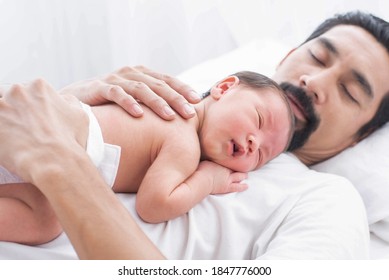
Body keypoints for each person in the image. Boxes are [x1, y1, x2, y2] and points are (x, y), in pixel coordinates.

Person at [1, 10, 387, 259]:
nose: (315, 81)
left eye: (351, 92)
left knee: (45, 215)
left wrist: (62, 168)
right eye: (318, 57)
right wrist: (70, 98)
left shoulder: (328, 202)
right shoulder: (177, 106)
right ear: (286, 56)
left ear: (358, 137)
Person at [0, 71, 294, 245]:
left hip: (38, 142)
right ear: (225, 87)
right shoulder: (184, 142)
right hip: (50, 132)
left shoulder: (165, 104)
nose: (255, 143)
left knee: (45, 215)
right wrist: (207, 180)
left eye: (261, 156)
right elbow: (154, 205)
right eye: (257, 119)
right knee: (47, 221)